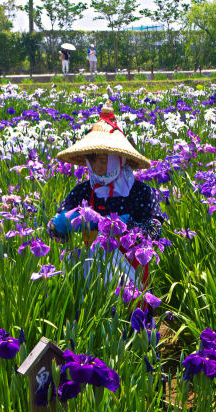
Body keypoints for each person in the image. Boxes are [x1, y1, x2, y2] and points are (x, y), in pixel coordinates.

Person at [48, 101, 165, 285]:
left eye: (104, 160)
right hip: (92, 268)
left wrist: (126, 226)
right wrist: (62, 224)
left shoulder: (141, 192)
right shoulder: (83, 191)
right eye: (93, 160)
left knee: (129, 307)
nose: (98, 167)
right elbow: (54, 231)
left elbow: (155, 230)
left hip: (132, 264)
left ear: (120, 158)